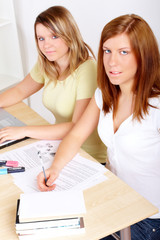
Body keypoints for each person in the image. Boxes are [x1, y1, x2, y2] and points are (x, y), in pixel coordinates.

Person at [37, 14, 160, 240]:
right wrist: (55, 169)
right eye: (107, 51)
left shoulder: (156, 107)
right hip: (113, 198)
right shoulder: (104, 95)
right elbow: (75, 136)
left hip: (148, 218)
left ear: (144, 55)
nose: (112, 61)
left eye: (124, 52)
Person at [0, 6, 107, 164]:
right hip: (57, 144)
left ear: (69, 35)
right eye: (41, 38)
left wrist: (23, 131)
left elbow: (76, 126)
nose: (46, 45)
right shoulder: (47, 63)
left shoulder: (88, 69)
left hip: (86, 154)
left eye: (54, 36)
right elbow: (19, 91)